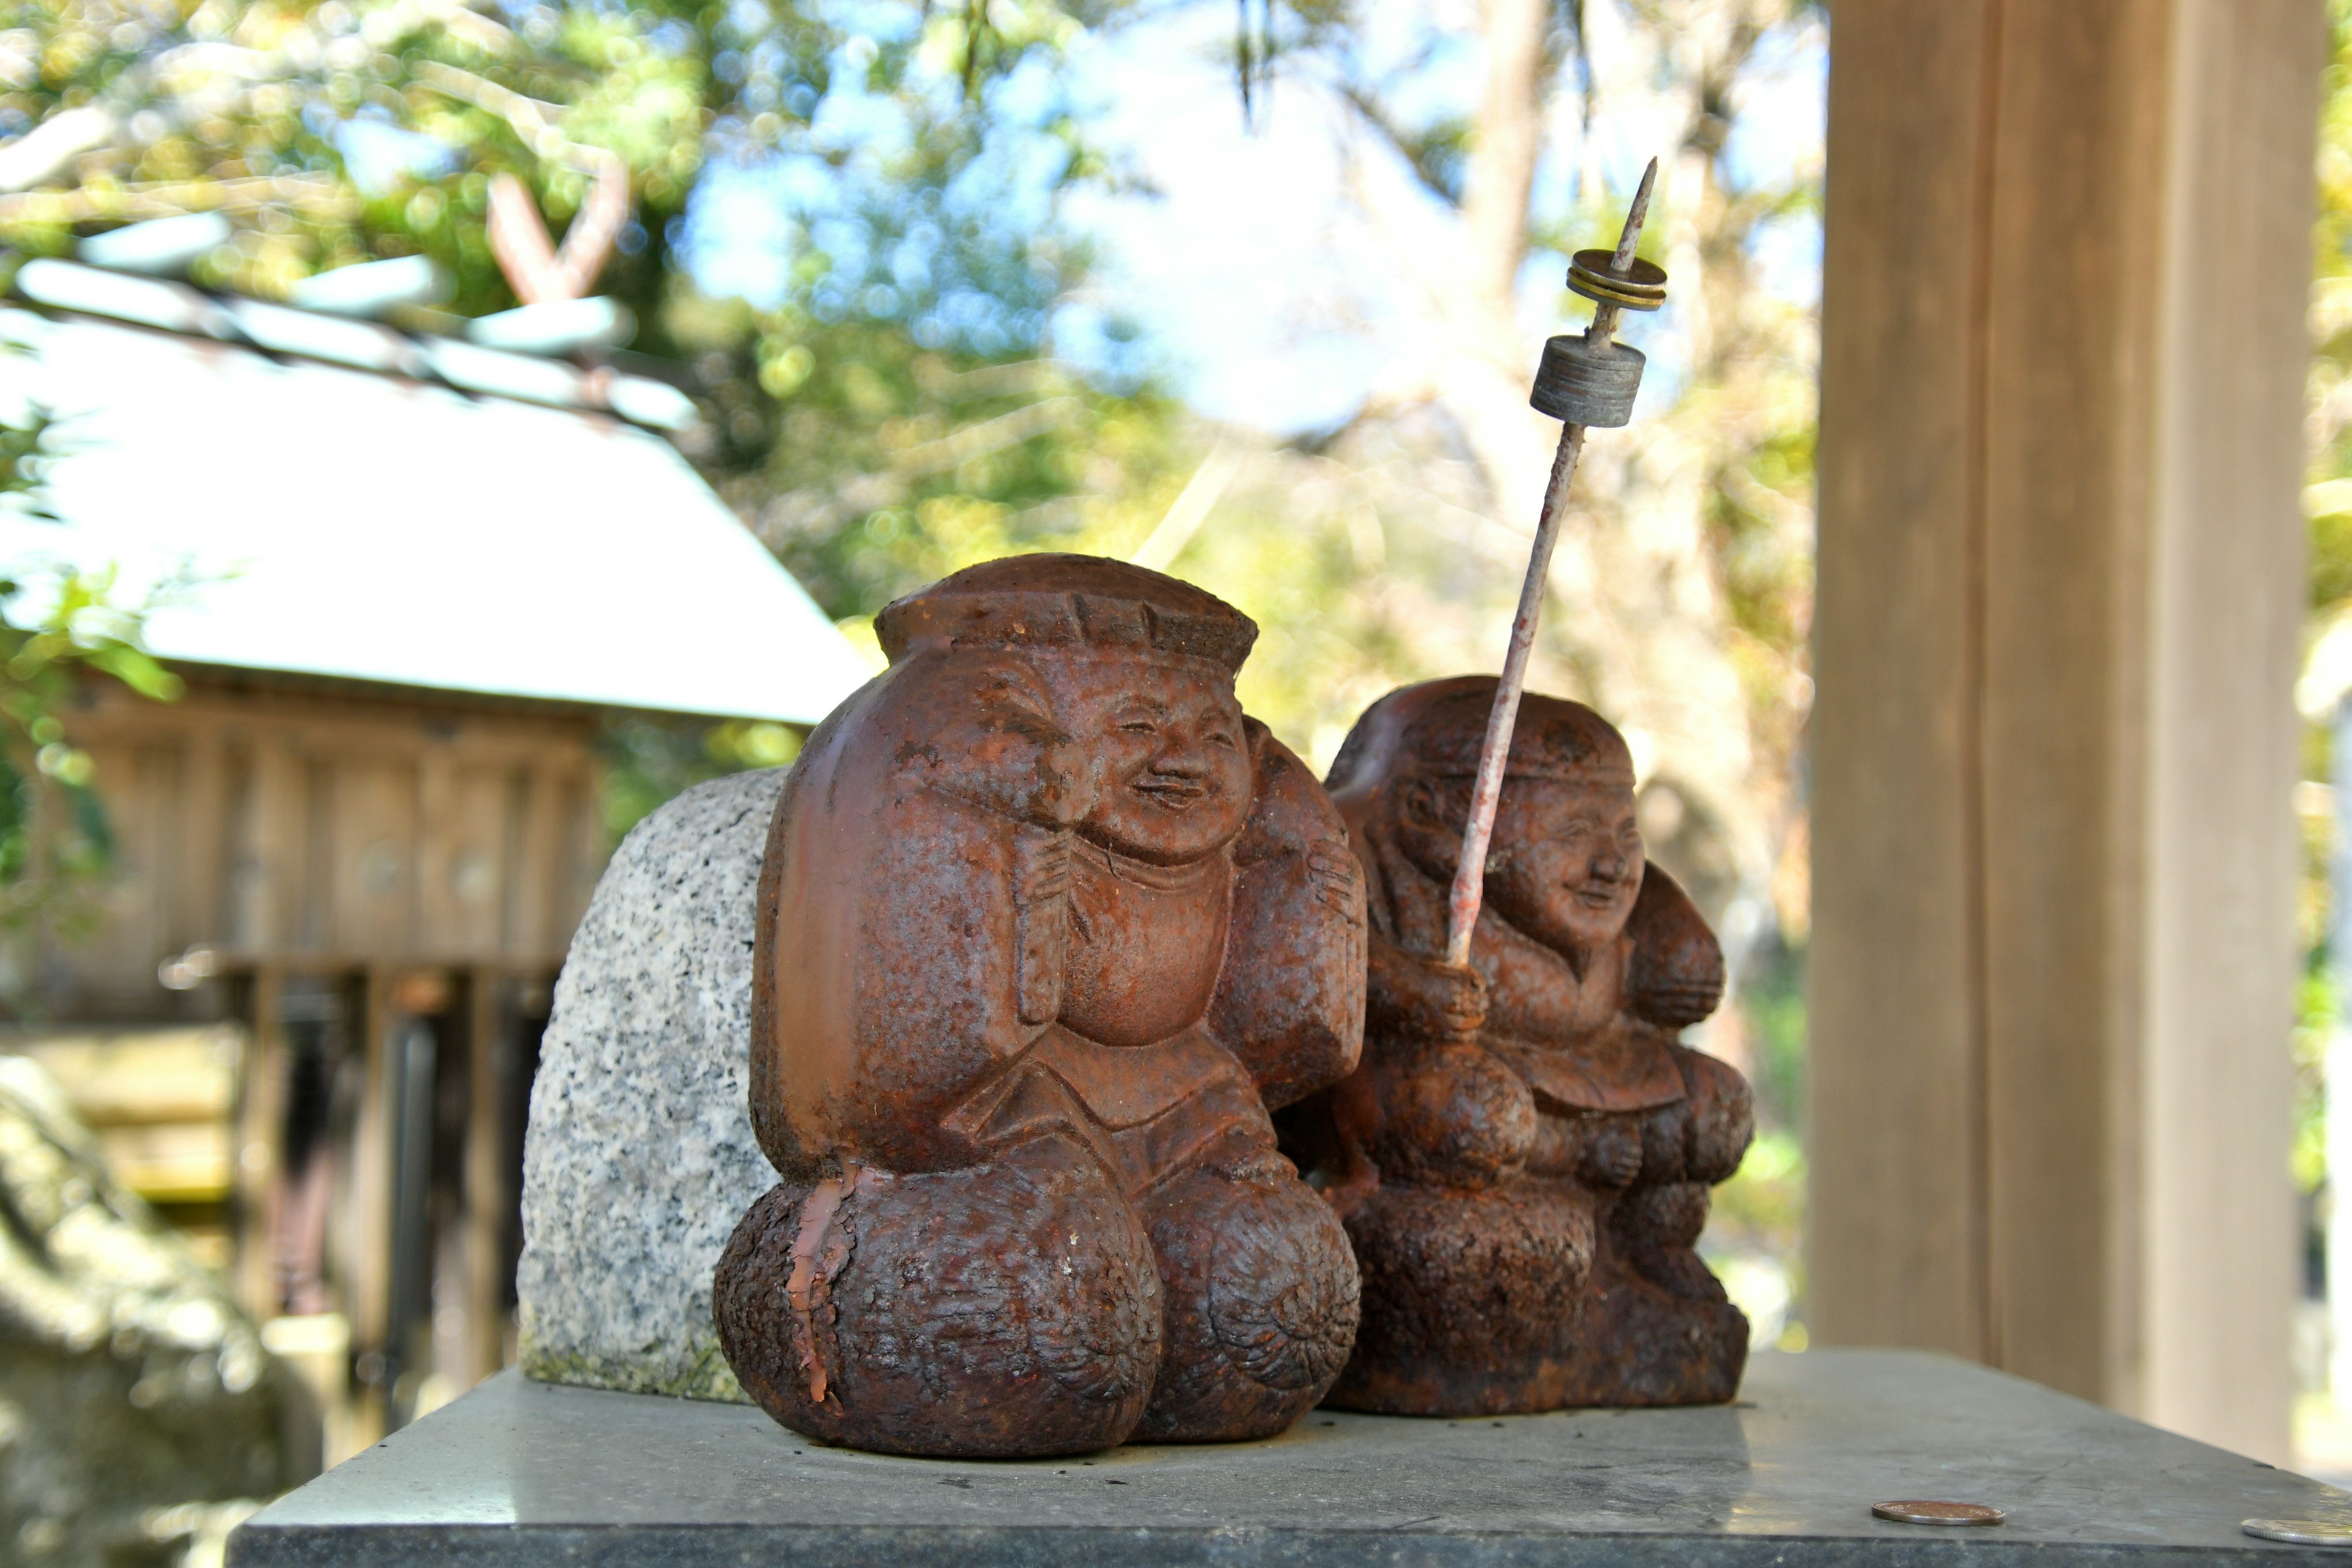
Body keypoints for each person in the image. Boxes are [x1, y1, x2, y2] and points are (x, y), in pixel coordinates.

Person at [715, 555, 1366, 1457]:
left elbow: (1290, 1027)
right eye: (1136, 723)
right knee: (1043, 1299)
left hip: (1187, 1101)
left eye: (1212, 735)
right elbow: (898, 1066)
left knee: (1269, 1293)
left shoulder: (1251, 831)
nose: (1181, 758)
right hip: (1006, 1114)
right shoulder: (933, 767)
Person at [1282, 676, 1752, 1413]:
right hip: (1467, 1094)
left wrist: (1681, 956)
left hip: (1606, 1070)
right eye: (1570, 835)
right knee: (1468, 1120)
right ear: (1432, 818)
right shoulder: (1356, 845)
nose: (1611, 865)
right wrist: (1410, 987)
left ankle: (1646, 1257)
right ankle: (1547, 1247)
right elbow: (1308, 961)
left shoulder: (1623, 882)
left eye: (1625, 835)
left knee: (1714, 1107)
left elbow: (1681, 955)